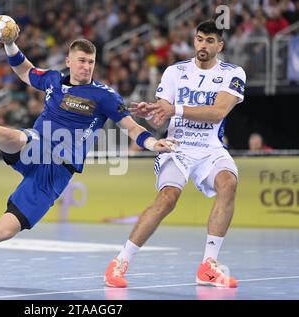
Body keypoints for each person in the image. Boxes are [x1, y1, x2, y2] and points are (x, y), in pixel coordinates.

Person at [0, 30, 177, 284]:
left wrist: (153, 143)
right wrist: (10, 44)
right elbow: (24, 70)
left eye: (91, 62)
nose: (86, 67)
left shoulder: (104, 96)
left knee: (5, 230)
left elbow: (131, 127)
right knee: (13, 137)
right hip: (38, 146)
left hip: (57, 173)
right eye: (82, 61)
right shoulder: (53, 79)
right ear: (69, 62)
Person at [104, 20, 246, 288]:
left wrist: (174, 110)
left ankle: (208, 266)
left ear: (220, 45)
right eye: (200, 39)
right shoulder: (174, 71)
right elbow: (163, 114)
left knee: (228, 183)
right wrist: (153, 111)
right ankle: (119, 262)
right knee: (167, 198)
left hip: (210, 148)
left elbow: (217, 112)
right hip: (177, 146)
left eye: (210, 41)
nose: (203, 45)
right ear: (194, 41)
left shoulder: (233, 73)